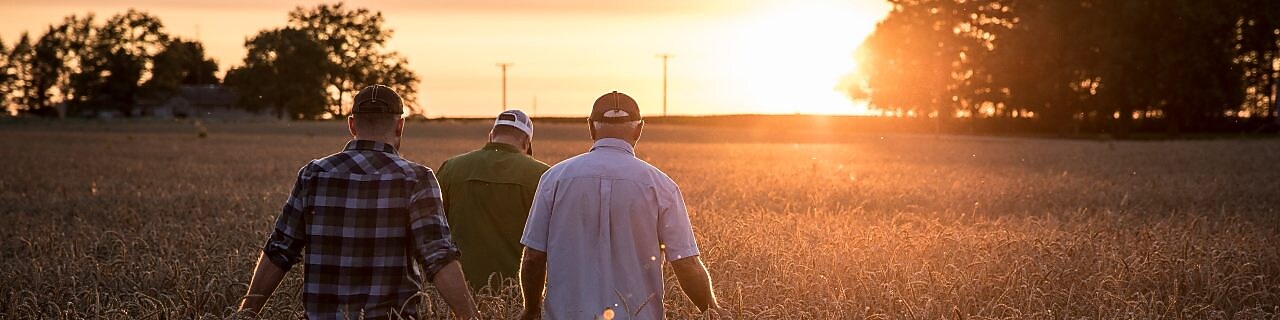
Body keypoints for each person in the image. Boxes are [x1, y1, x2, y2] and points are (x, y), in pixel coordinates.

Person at [237, 85, 479, 319]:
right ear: (400, 126)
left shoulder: (313, 175)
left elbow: (279, 250)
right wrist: (469, 316)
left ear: (352, 125)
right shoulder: (416, 179)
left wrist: (245, 314)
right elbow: (437, 256)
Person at [518, 91, 719, 319]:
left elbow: (533, 256)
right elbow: (686, 264)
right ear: (639, 129)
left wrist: (531, 308)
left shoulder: (554, 179)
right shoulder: (662, 186)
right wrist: (712, 309)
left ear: (591, 127)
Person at [437, 109, 550, 290]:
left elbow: (434, 234)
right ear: (526, 142)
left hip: (458, 294)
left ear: (491, 136)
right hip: (518, 294)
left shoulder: (451, 168)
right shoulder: (544, 175)